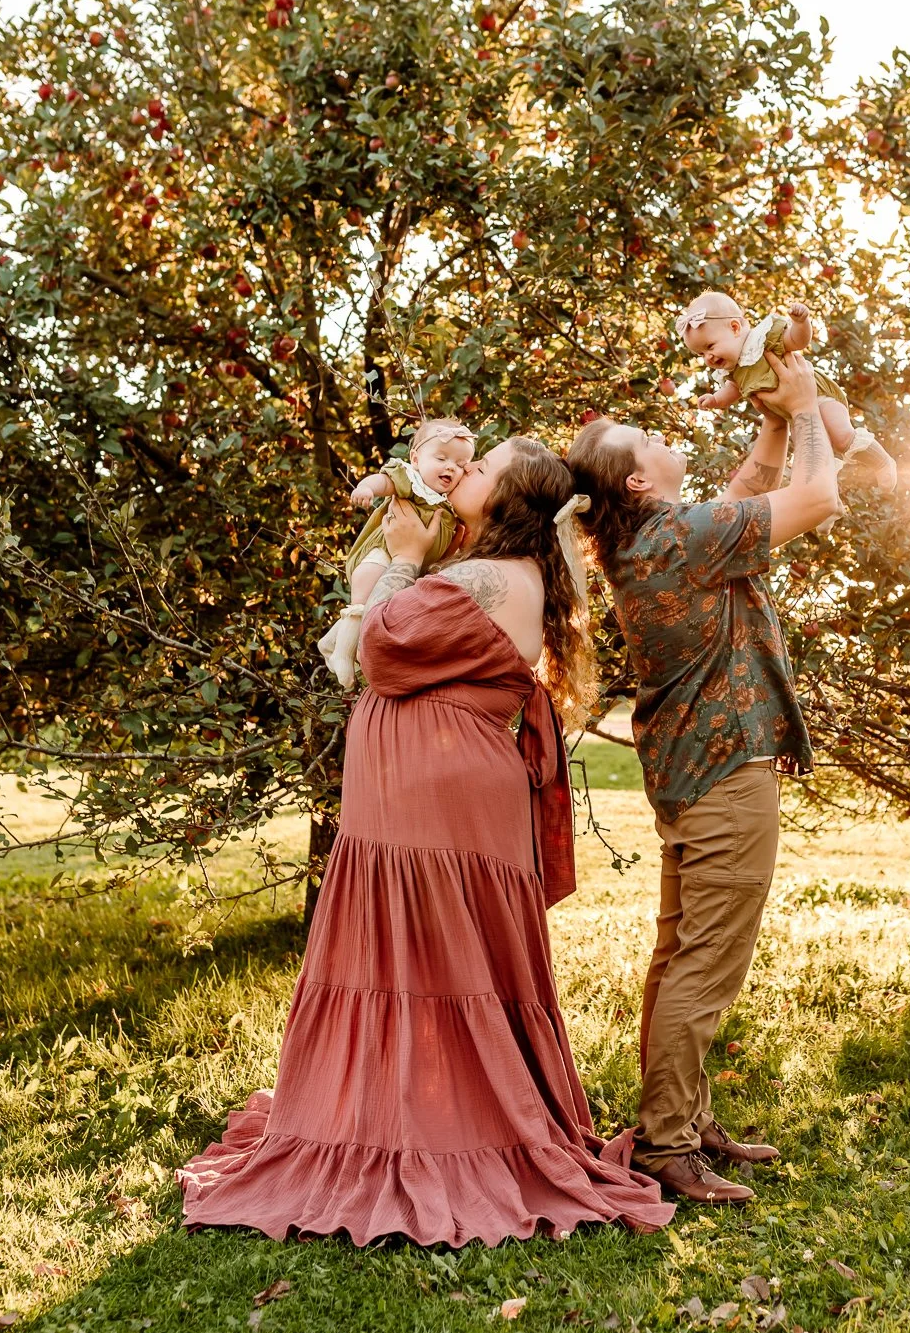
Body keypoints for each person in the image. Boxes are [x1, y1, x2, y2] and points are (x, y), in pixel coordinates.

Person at [179, 437, 672, 1248]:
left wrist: (404, 557)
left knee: (425, 955)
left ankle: (421, 1125)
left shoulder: (481, 576)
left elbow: (380, 650)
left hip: (433, 797)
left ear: (510, 498)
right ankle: (413, 1104)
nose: (464, 470)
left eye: (482, 468)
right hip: (436, 788)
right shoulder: (501, 571)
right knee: (436, 956)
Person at [568, 352, 896, 1206]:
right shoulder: (680, 538)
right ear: (637, 482)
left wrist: (780, 417)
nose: (660, 432)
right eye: (644, 438)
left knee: (680, 955)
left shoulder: (658, 535)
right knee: (705, 966)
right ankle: (667, 1147)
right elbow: (816, 498)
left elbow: (752, 481)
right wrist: (812, 401)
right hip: (723, 775)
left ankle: (680, 1117)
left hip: (691, 773)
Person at [676, 291, 893, 497]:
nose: (708, 357)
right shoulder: (734, 372)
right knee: (811, 460)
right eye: (701, 353)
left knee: (841, 436)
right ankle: (829, 509)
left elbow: (797, 341)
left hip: (819, 396)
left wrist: (801, 323)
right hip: (795, 414)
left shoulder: (762, 340)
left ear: (734, 327)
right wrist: (714, 400)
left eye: (710, 346)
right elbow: (730, 392)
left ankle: (882, 462)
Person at [317, 418, 475, 690]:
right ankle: (344, 652)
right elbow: (384, 480)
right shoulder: (412, 482)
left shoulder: (451, 503)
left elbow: (447, 547)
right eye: (441, 457)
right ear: (415, 458)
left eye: (461, 465)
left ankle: (334, 641)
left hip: (411, 569)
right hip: (384, 552)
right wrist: (367, 488)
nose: (451, 467)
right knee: (368, 582)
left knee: (385, 607)